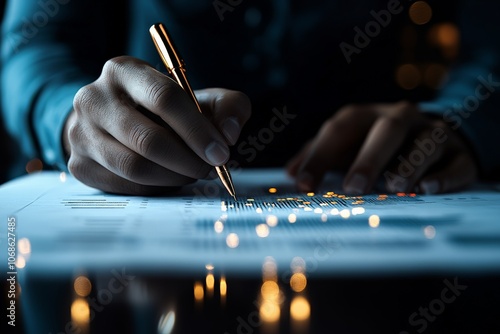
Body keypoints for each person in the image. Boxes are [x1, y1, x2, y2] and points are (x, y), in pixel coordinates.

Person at [1, 0, 499, 195]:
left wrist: (458, 120)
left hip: (378, 173)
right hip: (147, 185)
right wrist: (74, 119)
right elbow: (34, 46)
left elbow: (491, 42)